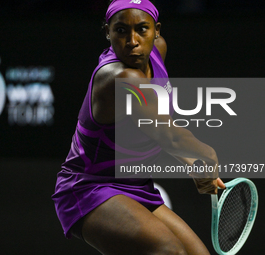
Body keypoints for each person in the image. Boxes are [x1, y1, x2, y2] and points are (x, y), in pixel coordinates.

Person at [52, 0, 225, 254]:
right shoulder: (120, 77)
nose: (132, 40)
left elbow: (159, 124)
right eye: (121, 30)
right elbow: (169, 136)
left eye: (142, 29)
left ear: (156, 31)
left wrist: (191, 162)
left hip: (137, 186)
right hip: (89, 188)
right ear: (108, 32)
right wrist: (207, 154)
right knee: (168, 250)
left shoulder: (158, 51)